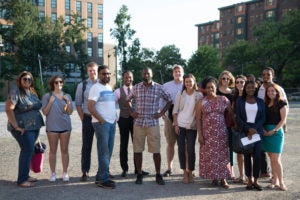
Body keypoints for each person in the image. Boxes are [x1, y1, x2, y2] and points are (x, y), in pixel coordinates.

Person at [128, 67, 172, 185]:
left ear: (151, 74)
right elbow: (128, 100)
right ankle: (139, 174)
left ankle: (158, 174)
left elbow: (169, 100)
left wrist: (161, 113)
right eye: (144, 73)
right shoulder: (136, 87)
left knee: (156, 150)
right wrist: (132, 112)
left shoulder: (159, 87)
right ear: (142, 75)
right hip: (138, 123)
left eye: (148, 73)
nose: (146, 75)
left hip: (153, 123)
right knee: (137, 150)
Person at [5, 71, 44, 187]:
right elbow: (8, 108)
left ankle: (25, 175)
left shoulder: (31, 91)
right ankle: (22, 180)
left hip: (33, 127)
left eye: (29, 79)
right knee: (26, 151)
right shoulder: (16, 91)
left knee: (29, 151)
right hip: (23, 128)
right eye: (25, 79)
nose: (27, 81)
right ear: (20, 80)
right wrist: (16, 126)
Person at [196, 76, 233, 188]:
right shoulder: (201, 102)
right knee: (210, 156)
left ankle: (223, 179)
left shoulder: (224, 100)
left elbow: (231, 114)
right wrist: (200, 134)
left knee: (223, 155)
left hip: (221, 133)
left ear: (216, 87)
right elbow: (198, 119)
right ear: (205, 89)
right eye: (207, 88)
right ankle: (213, 179)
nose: (210, 89)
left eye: (212, 87)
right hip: (207, 133)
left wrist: (235, 126)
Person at [114, 70, 149, 177]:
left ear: (132, 78)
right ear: (123, 78)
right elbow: (111, 105)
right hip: (123, 119)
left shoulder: (137, 89)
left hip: (136, 120)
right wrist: (116, 118)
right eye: (125, 77)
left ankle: (138, 169)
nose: (127, 79)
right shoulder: (118, 91)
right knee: (123, 145)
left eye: (129, 77)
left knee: (137, 145)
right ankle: (124, 169)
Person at [88, 65, 117, 189]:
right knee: (104, 151)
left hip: (111, 123)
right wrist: (101, 120)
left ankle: (101, 175)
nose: (107, 76)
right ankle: (103, 179)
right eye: (104, 74)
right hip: (102, 124)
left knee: (108, 151)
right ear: (99, 75)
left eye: (108, 74)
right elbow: (90, 106)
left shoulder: (109, 87)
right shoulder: (95, 88)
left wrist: (114, 117)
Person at [257, 67, 288, 178]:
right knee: (268, 154)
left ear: (272, 76)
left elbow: (285, 108)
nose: (265, 76)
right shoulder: (259, 89)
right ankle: (268, 173)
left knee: (276, 156)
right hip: (264, 127)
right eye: (263, 74)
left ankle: (278, 178)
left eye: (268, 74)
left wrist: (282, 126)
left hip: (276, 127)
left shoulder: (278, 89)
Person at [235, 80, 266, 191]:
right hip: (245, 130)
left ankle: (256, 181)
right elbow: (237, 117)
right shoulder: (240, 100)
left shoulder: (260, 101)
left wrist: (254, 129)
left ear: (255, 88)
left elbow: (263, 117)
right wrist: (248, 129)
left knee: (257, 156)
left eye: (252, 87)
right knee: (247, 156)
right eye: (248, 87)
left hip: (257, 131)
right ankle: (249, 181)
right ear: (245, 89)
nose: (250, 89)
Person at [42, 75, 73, 182]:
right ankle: (53, 173)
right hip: (52, 127)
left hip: (65, 127)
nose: (59, 84)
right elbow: (45, 112)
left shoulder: (67, 95)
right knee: (53, 151)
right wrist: (50, 102)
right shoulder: (47, 96)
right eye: (56, 82)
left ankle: (65, 172)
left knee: (65, 150)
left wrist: (68, 102)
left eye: (60, 82)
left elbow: (70, 112)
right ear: (52, 84)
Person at [172, 74, 202, 183]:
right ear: (184, 83)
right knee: (181, 149)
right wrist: (175, 125)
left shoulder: (199, 96)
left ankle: (191, 171)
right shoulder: (180, 94)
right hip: (180, 125)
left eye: (190, 81)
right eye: (186, 82)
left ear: (194, 82)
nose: (188, 83)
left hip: (192, 126)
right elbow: (174, 112)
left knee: (190, 149)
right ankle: (184, 172)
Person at [75, 62, 98, 181]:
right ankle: (85, 171)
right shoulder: (82, 85)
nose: (92, 72)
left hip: (100, 120)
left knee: (103, 146)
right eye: (90, 70)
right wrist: (82, 118)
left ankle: (104, 170)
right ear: (87, 71)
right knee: (86, 146)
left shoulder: (103, 84)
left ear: (97, 70)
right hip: (88, 118)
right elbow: (78, 103)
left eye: (94, 70)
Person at [263, 83, 288, 191]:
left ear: (277, 92)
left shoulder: (281, 103)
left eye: (273, 91)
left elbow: (283, 120)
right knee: (271, 158)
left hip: (276, 133)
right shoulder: (265, 103)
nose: (271, 93)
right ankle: (275, 181)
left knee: (276, 159)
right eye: (269, 91)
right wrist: (263, 130)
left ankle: (281, 182)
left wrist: (274, 130)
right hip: (266, 133)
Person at [160, 65, 184, 177]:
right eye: (175, 72)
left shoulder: (188, 83)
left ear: (182, 73)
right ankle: (169, 168)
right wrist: (162, 114)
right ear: (172, 73)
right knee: (170, 143)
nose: (177, 73)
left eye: (179, 71)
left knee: (185, 144)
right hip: (169, 116)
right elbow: (161, 100)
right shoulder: (166, 86)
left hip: (185, 116)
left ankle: (187, 169)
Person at [217, 70, 235, 179]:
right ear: (220, 79)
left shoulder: (233, 92)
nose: (225, 80)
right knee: (219, 147)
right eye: (223, 78)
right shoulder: (216, 91)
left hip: (230, 122)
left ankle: (231, 170)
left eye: (227, 78)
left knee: (230, 147)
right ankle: (219, 170)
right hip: (218, 122)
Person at [232, 75, 248, 184]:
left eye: (242, 82)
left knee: (249, 152)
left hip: (249, 128)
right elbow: (232, 112)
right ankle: (241, 175)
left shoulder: (250, 96)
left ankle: (248, 176)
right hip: (238, 128)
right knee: (239, 152)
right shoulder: (235, 97)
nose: (239, 84)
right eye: (237, 82)